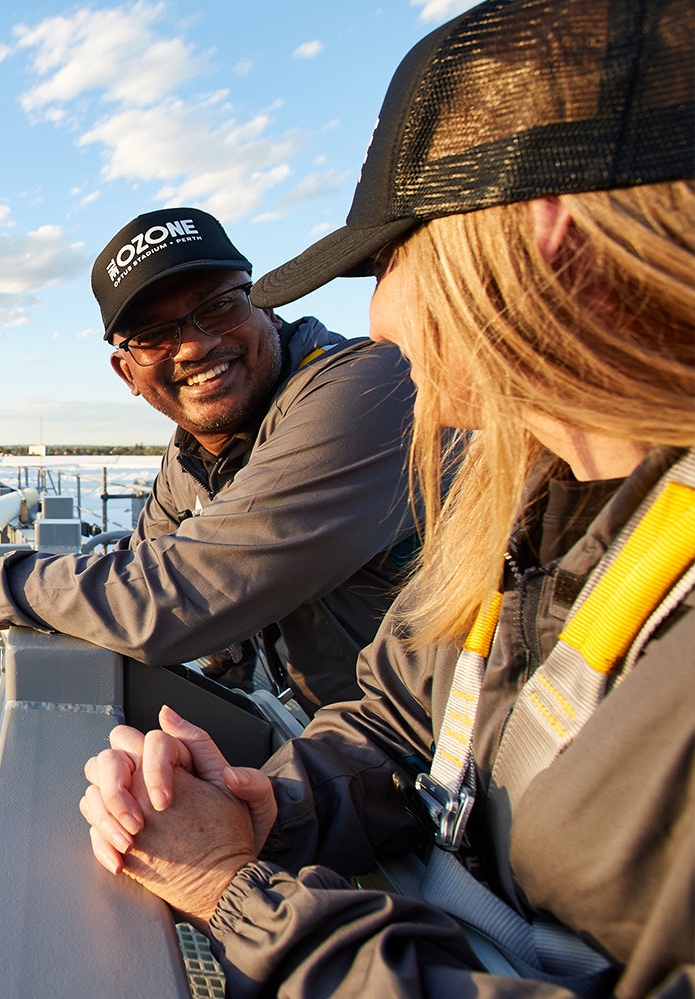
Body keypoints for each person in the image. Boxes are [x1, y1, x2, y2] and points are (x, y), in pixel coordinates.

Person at [79, 0, 694, 994]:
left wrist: (235, 890)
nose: (377, 313)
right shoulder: (540, 494)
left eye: (390, 258)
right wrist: (263, 807)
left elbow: (175, 591)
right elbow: (405, 727)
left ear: (541, 240)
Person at [0, 207, 417, 713]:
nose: (193, 346)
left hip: (449, 766)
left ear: (267, 305)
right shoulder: (196, 446)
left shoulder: (369, 390)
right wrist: (15, 610)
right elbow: (143, 562)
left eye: (217, 306)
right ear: (127, 373)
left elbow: (181, 594)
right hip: (344, 741)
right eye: (152, 335)